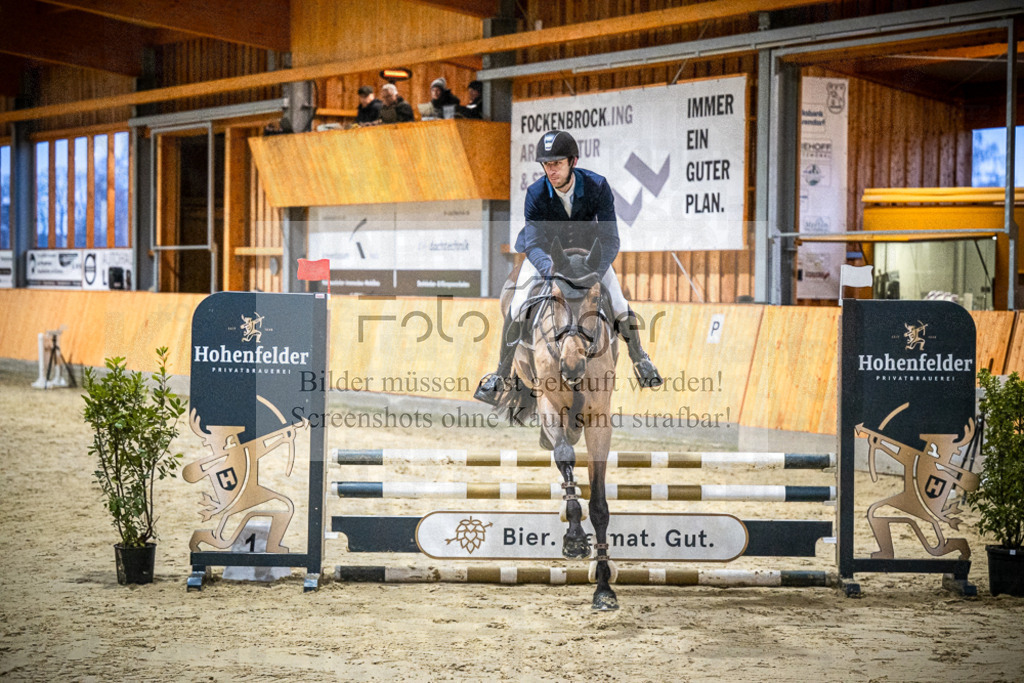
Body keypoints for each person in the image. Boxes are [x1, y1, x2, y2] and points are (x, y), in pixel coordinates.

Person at [474, 130, 663, 405]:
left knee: (620, 304)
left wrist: (594, 272)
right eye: (547, 165)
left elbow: (611, 239)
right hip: (549, 260)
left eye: (557, 164)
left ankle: (641, 361)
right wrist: (551, 271)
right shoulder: (536, 193)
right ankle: (501, 375)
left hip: (589, 260)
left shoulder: (597, 186)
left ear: (572, 161)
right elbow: (535, 243)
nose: (551, 170)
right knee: (517, 305)